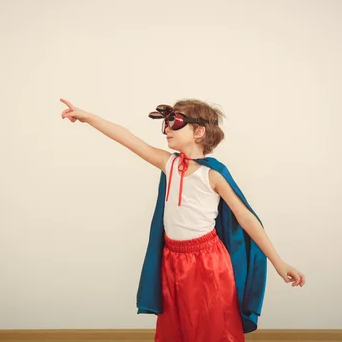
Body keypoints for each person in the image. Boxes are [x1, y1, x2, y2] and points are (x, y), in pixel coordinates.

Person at [60, 98, 305, 342]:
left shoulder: (212, 174)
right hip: (172, 259)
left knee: (210, 327)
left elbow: (246, 218)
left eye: (174, 122)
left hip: (207, 263)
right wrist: (88, 117)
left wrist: (278, 263)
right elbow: (129, 139)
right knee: (176, 327)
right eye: (165, 122)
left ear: (199, 131)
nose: (166, 129)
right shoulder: (169, 163)